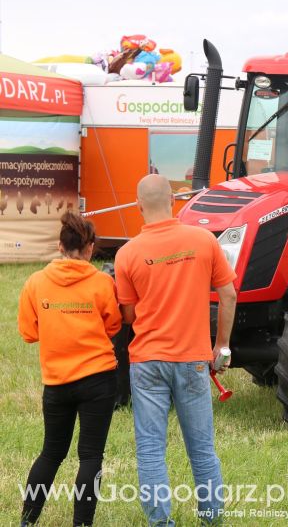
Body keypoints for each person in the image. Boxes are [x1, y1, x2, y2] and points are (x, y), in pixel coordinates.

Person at [114, 175, 237, 525]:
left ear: (139, 205)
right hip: (193, 361)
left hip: (147, 362)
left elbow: (129, 314)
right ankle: (211, 518)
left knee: (151, 449)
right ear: (174, 199)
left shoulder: (127, 254)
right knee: (202, 449)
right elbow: (228, 294)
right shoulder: (203, 240)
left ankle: (160, 522)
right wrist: (222, 346)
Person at [18, 212, 121, 526]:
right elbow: (114, 325)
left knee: (51, 453)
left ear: (60, 245)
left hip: (57, 382)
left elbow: (29, 333)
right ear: (90, 249)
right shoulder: (102, 282)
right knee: (91, 456)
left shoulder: (36, 282)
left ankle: (27, 520)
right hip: (98, 380)